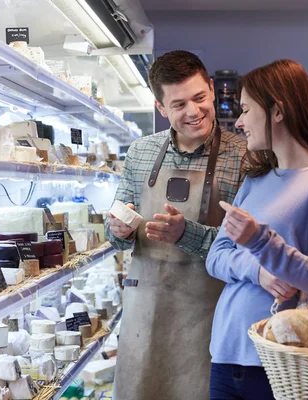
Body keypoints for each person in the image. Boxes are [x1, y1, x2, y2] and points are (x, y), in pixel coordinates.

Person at [206, 59, 308, 400]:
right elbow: (215, 258)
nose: (239, 121)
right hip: (226, 352)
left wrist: (261, 242)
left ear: (278, 111)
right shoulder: (256, 179)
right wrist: (259, 271)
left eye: (246, 110)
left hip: (285, 359)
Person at [105, 50, 248, 400]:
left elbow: (245, 246)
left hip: (211, 314)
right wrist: (118, 231)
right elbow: (116, 234)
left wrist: (187, 234)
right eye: (179, 104)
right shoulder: (140, 152)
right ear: (160, 107)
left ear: (212, 89)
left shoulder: (245, 155)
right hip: (145, 314)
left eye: (200, 98)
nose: (193, 112)